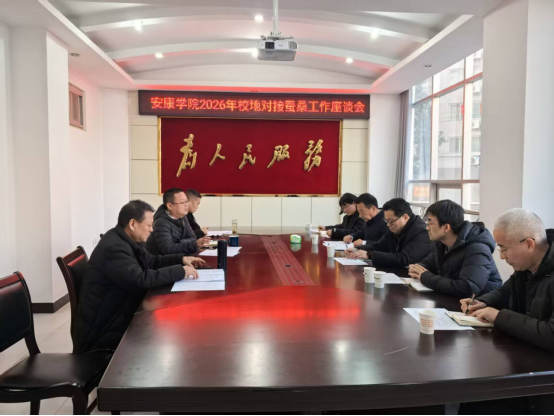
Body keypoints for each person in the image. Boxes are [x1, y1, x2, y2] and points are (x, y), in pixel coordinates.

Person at [73, 200, 206, 353]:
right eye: (149, 225)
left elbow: (152, 261)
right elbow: (140, 280)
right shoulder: (114, 248)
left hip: (118, 312)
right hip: (104, 330)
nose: (152, 230)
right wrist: (181, 271)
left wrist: (182, 259)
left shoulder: (127, 238)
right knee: (170, 335)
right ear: (133, 224)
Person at [458, 208, 554, 414]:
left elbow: (551, 333)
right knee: (471, 397)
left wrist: (499, 316)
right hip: (524, 357)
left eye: (503, 248)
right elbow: (505, 291)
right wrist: (482, 302)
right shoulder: (527, 266)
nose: (501, 256)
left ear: (529, 244)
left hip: (545, 382)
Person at [408, 200, 502, 298]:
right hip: (453, 300)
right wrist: (416, 269)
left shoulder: (477, 249)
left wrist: (425, 277)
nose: (427, 228)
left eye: (430, 222)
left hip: (483, 303)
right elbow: (427, 265)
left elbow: (467, 288)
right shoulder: (442, 244)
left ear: (446, 227)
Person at [347, 198, 431, 268]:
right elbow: (379, 246)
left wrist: (370, 254)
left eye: (391, 221)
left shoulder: (422, 231)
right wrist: (358, 249)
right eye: (386, 221)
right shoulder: (394, 226)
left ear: (405, 217)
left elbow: (404, 259)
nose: (388, 225)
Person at [146, 188, 211, 256]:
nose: (186, 205)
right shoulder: (161, 223)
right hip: (162, 261)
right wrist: (193, 244)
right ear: (170, 206)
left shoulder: (183, 217)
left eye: (186, 201)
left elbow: (193, 238)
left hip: (179, 258)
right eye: (182, 202)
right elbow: (168, 249)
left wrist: (178, 242)